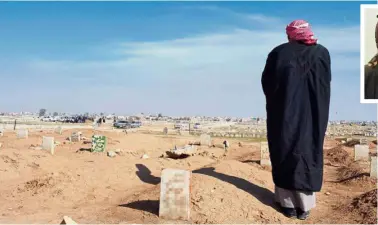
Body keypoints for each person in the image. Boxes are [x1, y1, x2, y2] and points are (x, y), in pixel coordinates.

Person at [261, 20, 331, 220]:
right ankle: (304, 207)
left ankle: (288, 205)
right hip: (313, 114)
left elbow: (267, 83)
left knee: (285, 149)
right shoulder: (321, 52)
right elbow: (325, 84)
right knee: (308, 151)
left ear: (289, 34)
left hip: (284, 114)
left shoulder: (278, 53)